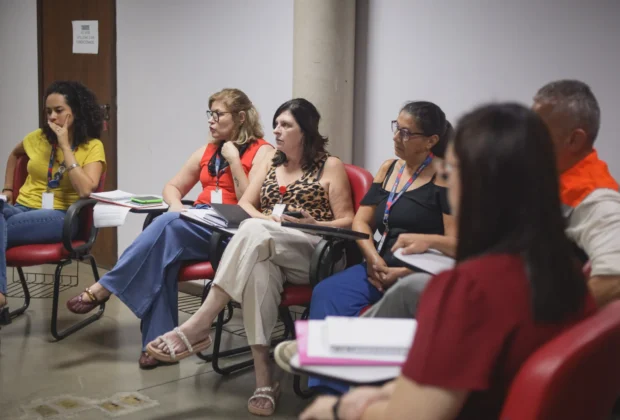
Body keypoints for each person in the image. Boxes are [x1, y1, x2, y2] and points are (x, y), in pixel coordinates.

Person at [299, 103, 596, 420]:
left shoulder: (468, 290)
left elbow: (413, 415)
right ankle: (335, 368)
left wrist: (338, 409)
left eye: (451, 171)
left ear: (476, 184)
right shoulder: (570, 273)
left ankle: (331, 374)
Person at [146, 98, 355, 416]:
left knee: (254, 232)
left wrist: (314, 223)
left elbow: (347, 221)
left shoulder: (330, 165)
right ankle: (264, 382)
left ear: (306, 131)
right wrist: (266, 219)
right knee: (258, 266)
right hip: (269, 246)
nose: (277, 130)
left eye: (286, 125)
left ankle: (199, 324)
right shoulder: (273, 163)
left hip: (315, 252)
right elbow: (245, 205)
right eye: (276, 123)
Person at [65, 88, 272, 369]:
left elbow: (250, 202)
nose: (210, 120)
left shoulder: (263, 153)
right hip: (198, 223)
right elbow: (172, 187)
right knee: (163, 257)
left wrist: (235, 160)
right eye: (209, 113)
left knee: (166, 226)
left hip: (231, 233)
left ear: (241, 117)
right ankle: (158, 345)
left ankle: (106, 285)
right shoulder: (206, 151)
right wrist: (175, 204)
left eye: (218, 114)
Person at [305, 101, 456, 394]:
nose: (396, 138)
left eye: (406, 133)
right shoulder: (389, 169)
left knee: (379, 323)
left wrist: (401, 272)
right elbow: (362, 221)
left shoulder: (444, 177)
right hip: (377, 265)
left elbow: (455, 243)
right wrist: (372, 257)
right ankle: (328, 392)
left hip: (416, 274)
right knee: (327, 292)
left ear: (431, 141)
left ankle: (364, 393)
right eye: (395, 128)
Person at [0, 81, 106, 324]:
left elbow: (84, 189)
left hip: (61, 217)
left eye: (58, 110)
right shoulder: (37, 138)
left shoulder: (92, 147)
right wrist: (7, 188)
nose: (52, 117)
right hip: (21, 209)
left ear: (75, 112)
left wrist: (66, 146)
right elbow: (14, 155)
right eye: (48, 111)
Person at [532, 80, 620, 307]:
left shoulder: (596, 198)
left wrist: (546, 326)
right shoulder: (555, 176)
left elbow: (614, 279)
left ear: (574, 140)